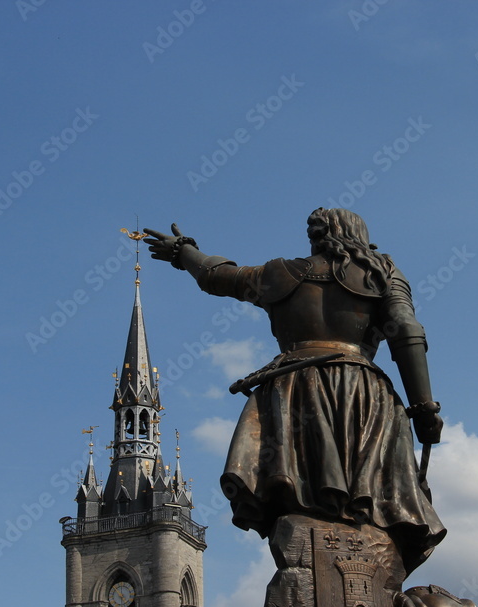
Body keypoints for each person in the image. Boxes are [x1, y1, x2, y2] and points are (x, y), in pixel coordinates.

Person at [144, 208, 444, 573]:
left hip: (294, 392)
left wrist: (183, 251)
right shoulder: (381, 272)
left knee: (301, 501)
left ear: (314, 237)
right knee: (372, 504)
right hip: (363, 395)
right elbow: (406, 330)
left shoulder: (279, 274)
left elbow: (216, 276)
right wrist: (424, 407)